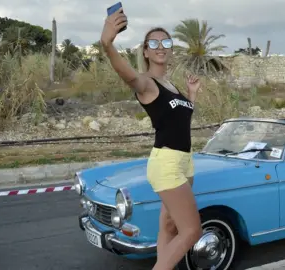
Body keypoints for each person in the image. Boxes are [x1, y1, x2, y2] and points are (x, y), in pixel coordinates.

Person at [100, 9, 202, 270]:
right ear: (145, 52)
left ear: (170, 50)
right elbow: (129, 76)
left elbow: (182, 120)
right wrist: (107, 44)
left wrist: (191, 95)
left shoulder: (170, 85)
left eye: (166, 42)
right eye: (153, 43)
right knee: (191, 232)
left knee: (169, 226)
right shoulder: (147, 82)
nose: (161, 46)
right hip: (166, 162)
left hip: (184, 161)